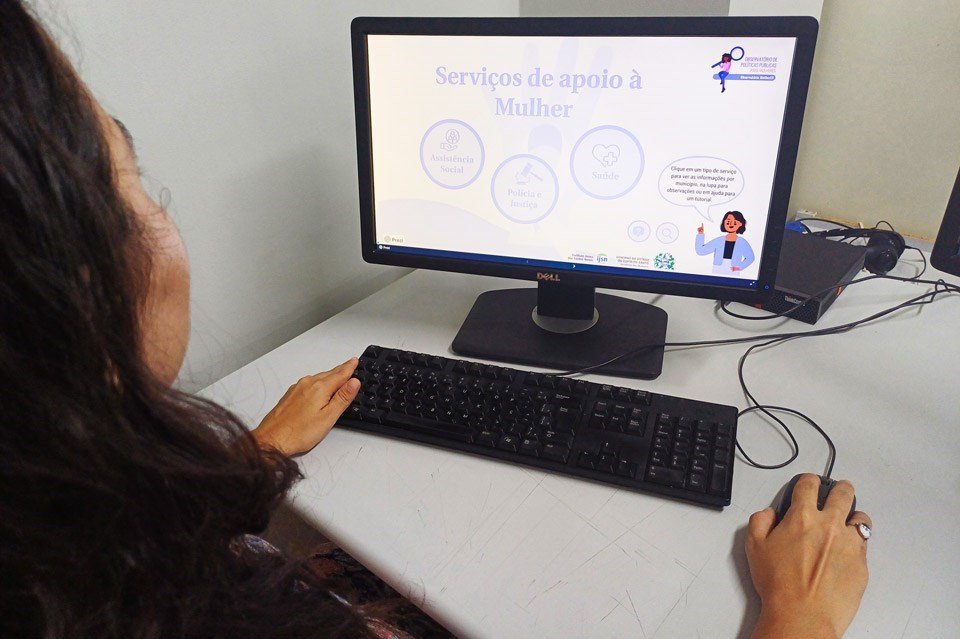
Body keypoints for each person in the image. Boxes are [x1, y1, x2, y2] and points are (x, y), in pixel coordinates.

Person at [0, 2, 870, 637]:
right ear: (66, 287)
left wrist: (252, 460)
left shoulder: (61, 551)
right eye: (129, 181)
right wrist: (796, 620)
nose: (161, 213)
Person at [696, 210, 756, 275]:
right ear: (724, 223)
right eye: (728, 222)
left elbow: (750, 257)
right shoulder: (719, 241)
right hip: (717, 269)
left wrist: (740, 267)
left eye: (734, 222)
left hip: (733, 271)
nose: (731, 224)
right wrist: (700, 234)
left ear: (740, 224)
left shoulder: (742, 242)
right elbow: (701, 251)